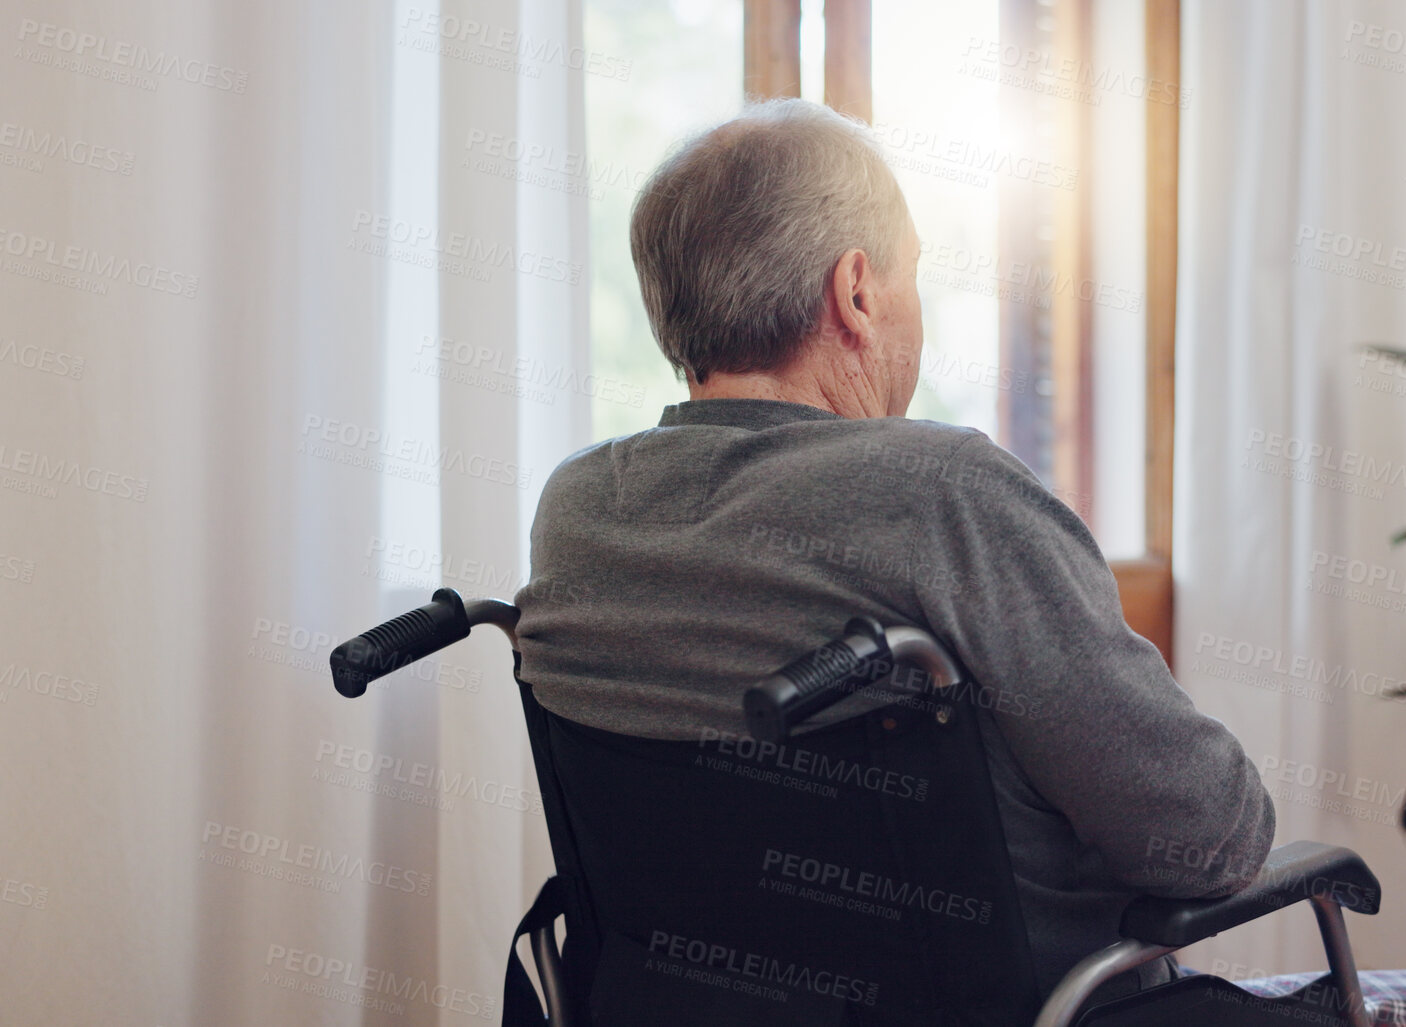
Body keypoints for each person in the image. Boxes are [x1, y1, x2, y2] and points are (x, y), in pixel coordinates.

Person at [512, 97, 1273, 1008]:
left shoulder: (581, 507)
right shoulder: (943, 493)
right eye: (912, 275)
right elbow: (1207, 835)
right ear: (858, 291)